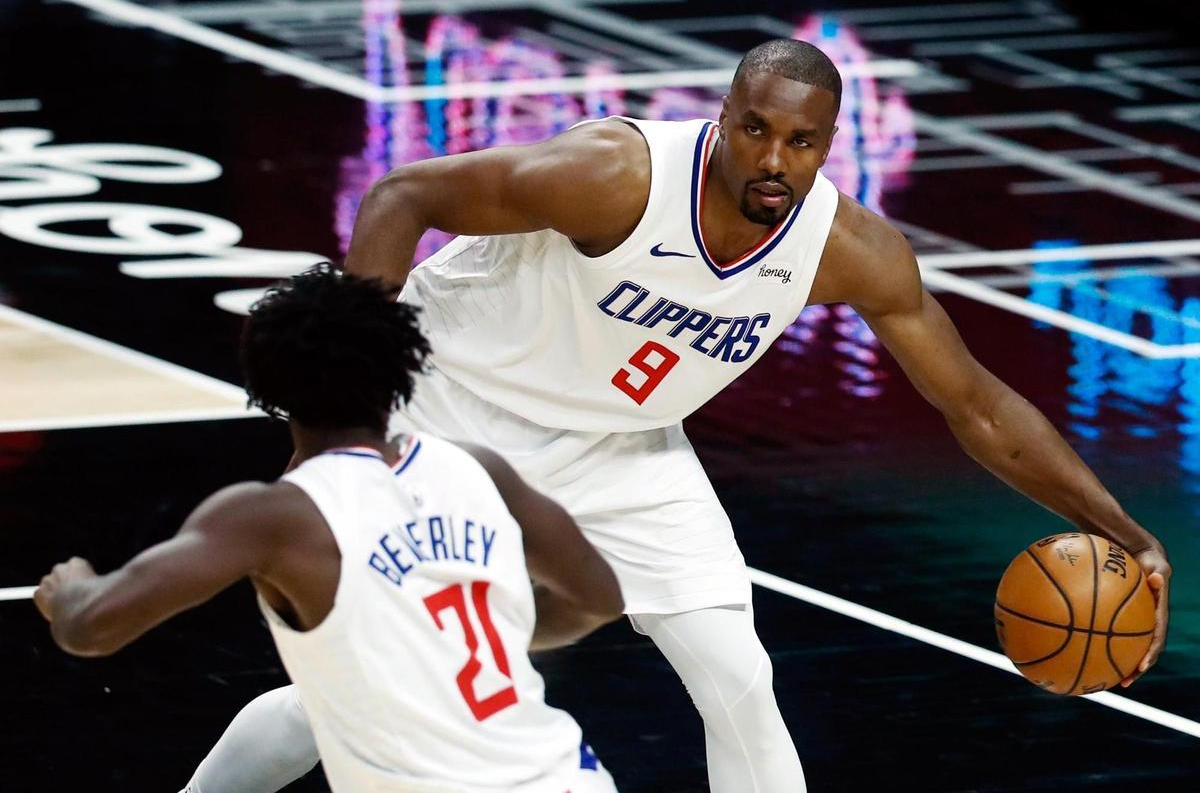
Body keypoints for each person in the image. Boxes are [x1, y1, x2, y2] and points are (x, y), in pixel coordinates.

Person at [191, 38, 1173, 793]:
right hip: (453, 405)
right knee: (403, 675)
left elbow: (977, 404)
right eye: (756, 128)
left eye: (801, 140)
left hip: (622, 446)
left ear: (832, 145)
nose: (774, 158)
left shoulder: (850, 252)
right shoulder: (615, 177)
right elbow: (406, 193)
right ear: (724, 116)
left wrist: (1117, 529)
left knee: (737, 670)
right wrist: (346, 399)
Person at [34, 264, 625, 793]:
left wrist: (72, 590)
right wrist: (475, 645)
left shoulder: (275, 518)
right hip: (570, 775)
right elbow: (598, 598)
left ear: (267, 388)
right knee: (305, 706)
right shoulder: (478, 469)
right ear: (403, 369)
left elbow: (91, 628)